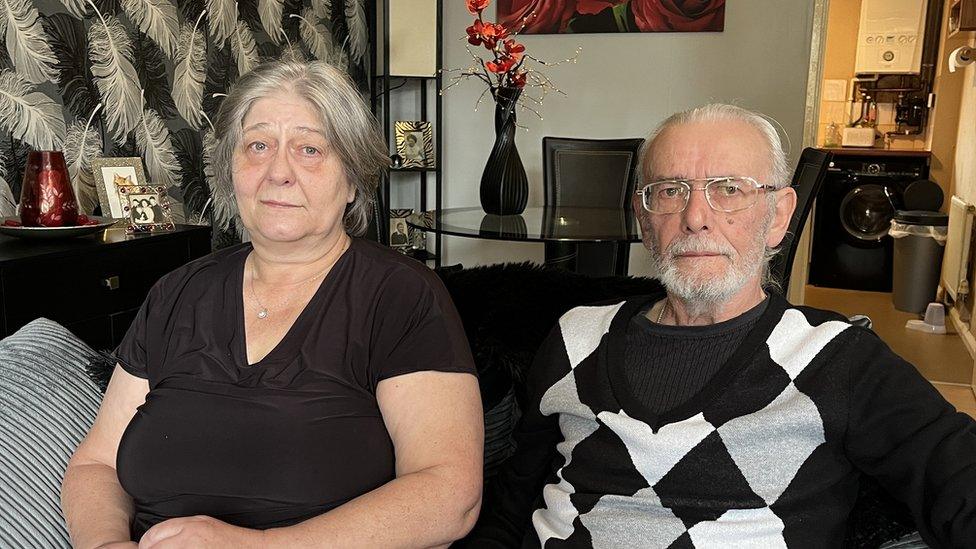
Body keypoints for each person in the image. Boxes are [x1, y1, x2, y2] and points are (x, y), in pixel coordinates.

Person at [463, 104, 976, 547]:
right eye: (670, 191)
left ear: (778, 216)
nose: (695, 218)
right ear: (644, 219)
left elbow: (954, 476)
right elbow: (514, 498)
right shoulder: (576, 335)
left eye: (729, 189)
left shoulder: (837, 357)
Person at [61, 59, 484, 548]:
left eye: (309, 149)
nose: (278, 172)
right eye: (258, 146)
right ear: (231, 170)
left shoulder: (401, 295)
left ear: (352, 182)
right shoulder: (179, 292)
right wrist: (106, 544)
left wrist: (256, 546)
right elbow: (96, 464)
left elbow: (451, 495)